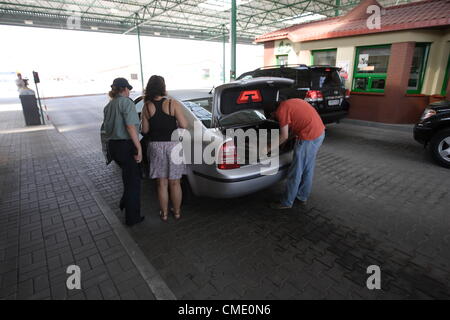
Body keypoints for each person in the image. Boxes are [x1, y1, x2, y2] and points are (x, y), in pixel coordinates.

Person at [141, 75, 188, 221]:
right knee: (175, 182)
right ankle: (178, 212)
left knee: (161, 183)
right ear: (163, 87)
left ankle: (165, 214)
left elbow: (145, 130)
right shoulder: (172, 103)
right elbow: (184, 125)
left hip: (156, 146)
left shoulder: (147, 106)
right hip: (173, 146)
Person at [269, 96, 325, 209]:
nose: (274, 118)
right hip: (319, 133)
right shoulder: (290, 103)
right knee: (307, 168)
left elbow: (283, 136)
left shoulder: (281, 111)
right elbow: (296, 126)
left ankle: (286, 202)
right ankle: (302, 196)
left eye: (272, 116)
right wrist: (287, 139)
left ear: (273, 111)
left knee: (295, 171)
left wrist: (267, 148)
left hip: (308, 137)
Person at [102, 77, 145, 226]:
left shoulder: (108, 106)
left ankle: (125, 202)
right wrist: (138, 147)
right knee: (133, 182)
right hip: (126, 146)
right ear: (125, 89)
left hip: (114, 147)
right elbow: (130, 126)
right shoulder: (126, 103)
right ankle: (132, 218)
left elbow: (105, 129)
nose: (129, 92)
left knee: (128, 179)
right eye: (129, 89)